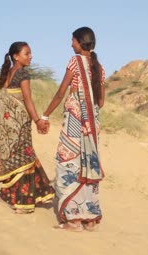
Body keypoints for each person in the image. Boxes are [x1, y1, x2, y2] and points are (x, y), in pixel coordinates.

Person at [42, 27, 106, 231]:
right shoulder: (99, 67)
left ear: (80, 42)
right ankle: (90, 219)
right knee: (87, 166)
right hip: (93, 126)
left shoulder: (75, 62)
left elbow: (62, 92)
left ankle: (73, 220)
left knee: (67, 164)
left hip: (75, 124)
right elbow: (101, 101)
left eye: (73, 40)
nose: (71, 44)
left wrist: (45, 115)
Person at [0, 41, 54, 214]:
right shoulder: (22, 74)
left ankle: (7, 194)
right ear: (16, 57)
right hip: (19, 127)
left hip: (6, 128)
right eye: (27, 53)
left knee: (16, 159)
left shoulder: (8, 73)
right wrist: (38, 120)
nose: (31, 56)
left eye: (30, 53)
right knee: (25, 159)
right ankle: (22, 202)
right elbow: (27, 100)